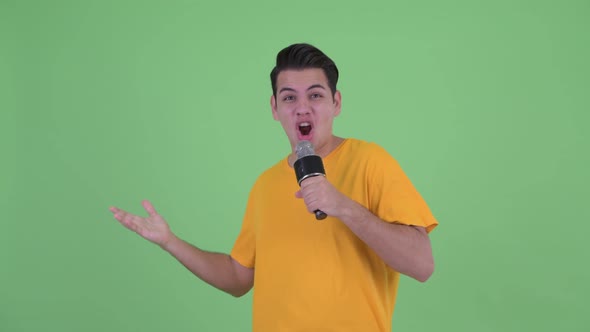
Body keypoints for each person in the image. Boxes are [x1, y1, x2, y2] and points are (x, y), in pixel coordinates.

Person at [110, 43, 438, 331]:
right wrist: (170, 241)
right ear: (274, 108)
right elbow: (238, 278)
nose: (302, 107)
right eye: (289, 97)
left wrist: (342, 205)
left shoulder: (370, 161)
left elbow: (422, 264)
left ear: (336, 103)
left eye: (316, 95)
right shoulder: (265, 185)